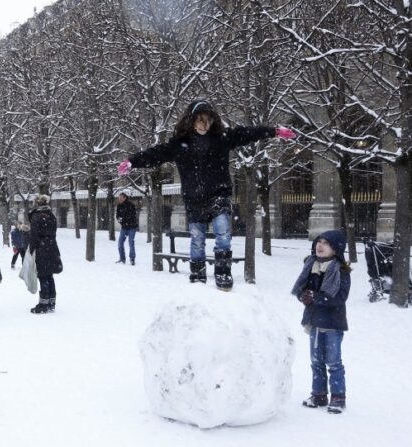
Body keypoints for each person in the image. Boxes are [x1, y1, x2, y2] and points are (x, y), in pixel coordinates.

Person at [118, 99, 297, 290]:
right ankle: (197, 273)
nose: (204, 124)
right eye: (200, 119)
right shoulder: (180, 144)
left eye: (208, 120)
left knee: (223, 232)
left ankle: (222, 272)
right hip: (194, 197)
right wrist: (132, 161)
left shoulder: (222, 138)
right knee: (197, 238)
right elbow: (156, 154)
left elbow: (247, 133)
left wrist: (274, 131)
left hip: (218, 193)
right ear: (192, 120)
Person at [291, 230, 350, 414]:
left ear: (336, 249)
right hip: (314, 321)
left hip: (332, 323)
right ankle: (319, 394)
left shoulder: (340, 270)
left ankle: (338, 397)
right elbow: (303, 289)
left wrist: (316, 297)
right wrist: (304, 296)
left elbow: (340, 297)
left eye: (326, 243)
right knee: (316, 361)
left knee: (333, 361)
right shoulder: (311, 266)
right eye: (319, 241)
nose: (320, 245)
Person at [28, 195, 62, 314]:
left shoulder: (36, 217)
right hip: (52, 247)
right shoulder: (51, 215)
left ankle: (43, 304)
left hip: (42, 249)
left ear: (37, 204)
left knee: (43, 276)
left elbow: (34, 236)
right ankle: (51, 302)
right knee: (49, 275)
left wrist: (31, 251)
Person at [115, 193, 139, 265]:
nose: (119, 199)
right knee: (120, 243)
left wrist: (124, 219)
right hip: (124, 227)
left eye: (121, 198)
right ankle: (122, 259)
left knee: (131, 243)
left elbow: (132, 216)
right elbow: (117, 215)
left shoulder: (131, 205)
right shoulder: (119, 206)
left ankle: (132, 259)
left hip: (132, 227)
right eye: (119, 198)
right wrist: (119, 220)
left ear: (125, 198)